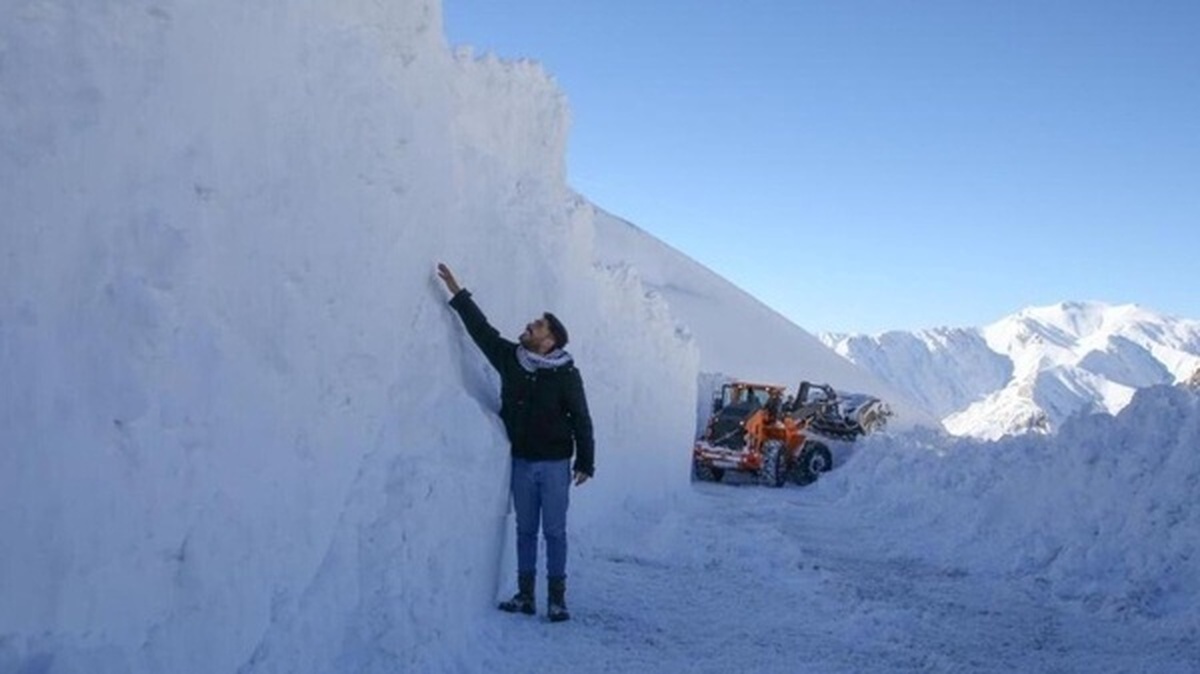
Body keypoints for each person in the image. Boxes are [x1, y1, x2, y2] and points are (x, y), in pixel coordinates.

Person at [436, 262, 595, 623]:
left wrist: (586, 461)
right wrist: (457, 292)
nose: (529, 326)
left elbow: (582, 418)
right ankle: (525, 596)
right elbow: (482, 332)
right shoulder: (512, 360)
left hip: (555, 465)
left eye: (537, 326)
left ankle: (557, 600)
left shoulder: (567, 375)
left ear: (550, 340)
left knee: (554, 532)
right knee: (525, 530)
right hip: (522, 463)